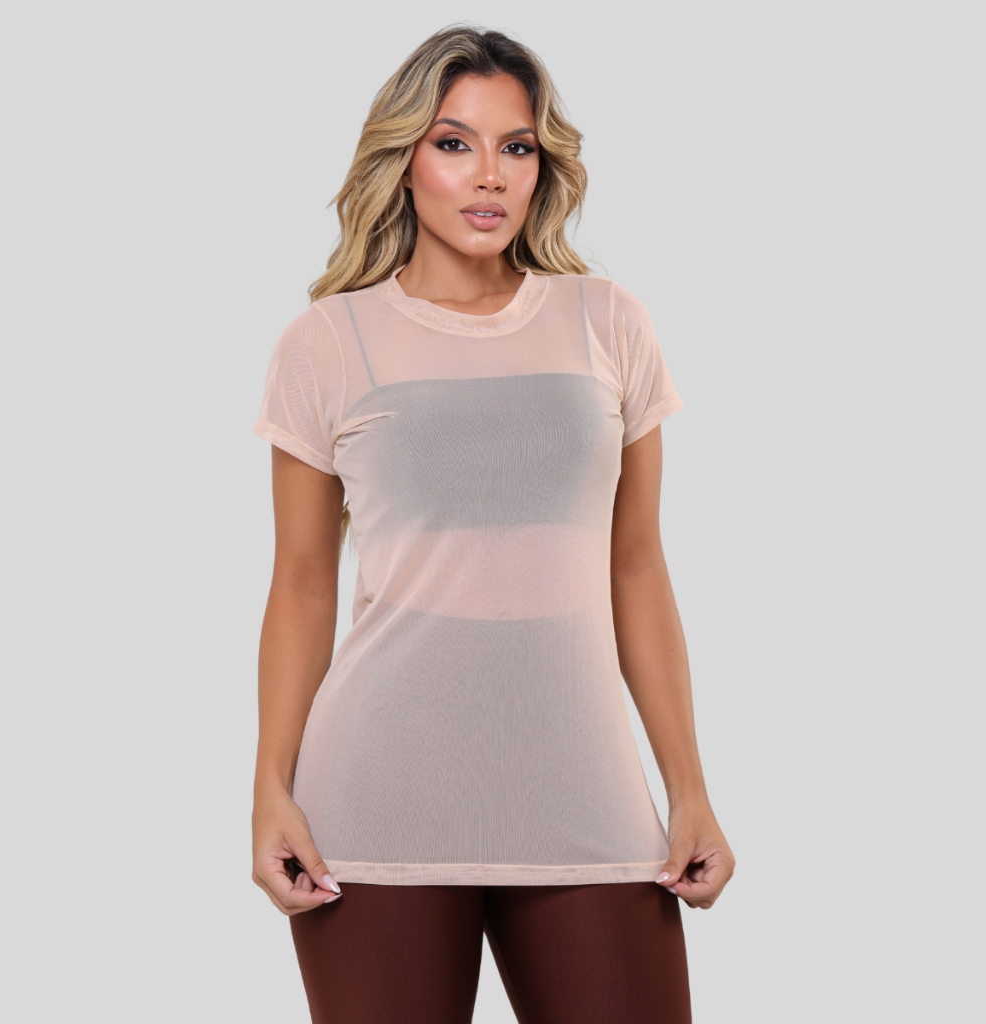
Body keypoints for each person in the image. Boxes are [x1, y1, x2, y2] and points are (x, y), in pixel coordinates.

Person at [251, 25, 734, 1024]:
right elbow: (299, 581)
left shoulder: (607, 322)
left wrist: (688, 788)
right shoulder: (326, 343)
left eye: (516, 146)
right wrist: (269, 787)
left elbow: (637, 568)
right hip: (378, 793)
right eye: (453, 143)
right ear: (404, 160)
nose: (489, 174)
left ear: (542, 166)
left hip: (586, 789)